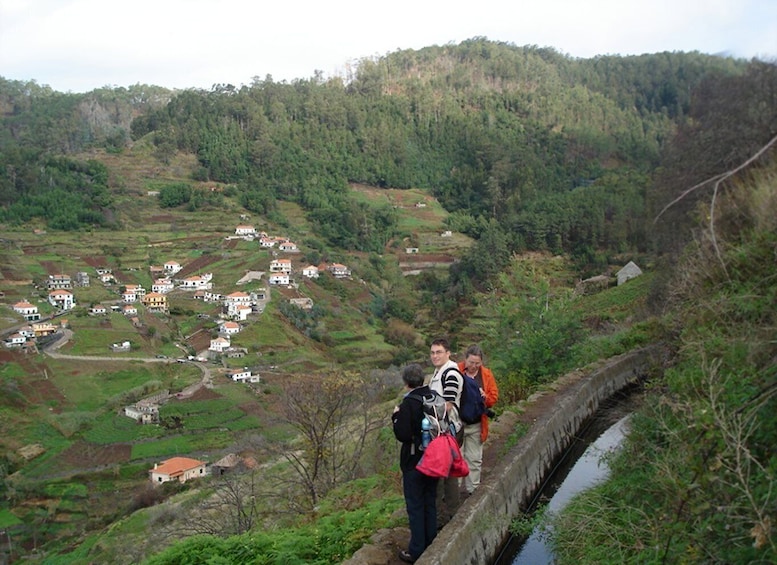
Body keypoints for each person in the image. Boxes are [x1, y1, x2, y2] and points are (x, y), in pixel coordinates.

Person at [392, 363, 439, 564]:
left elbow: (402, 434)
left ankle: (417, 550)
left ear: (406, 383)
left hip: (415, 461)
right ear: (422, 379)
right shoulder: (433, 396)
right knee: (430, 500)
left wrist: (395, 416)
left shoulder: (409, 403)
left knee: (415, 505)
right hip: (435, 457)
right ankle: (432, 541)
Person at [426, 337, 464, 525]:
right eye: (433, 352)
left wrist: (425, 412)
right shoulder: (438, 372)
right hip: (441, 432)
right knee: (446, 473)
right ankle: (448, 514)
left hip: (448, 432)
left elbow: (447, 404)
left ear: (448, 353)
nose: (435, 356)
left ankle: (447, 515)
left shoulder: (450, 374)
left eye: (439, 352)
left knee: (444, 474)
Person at [457, 344, 499, 495]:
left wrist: (484, 397)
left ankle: (472, 490)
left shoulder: (486, 375)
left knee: (474, 458)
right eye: (471, 362)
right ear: (465, 359)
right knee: (457, 458)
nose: (473, 366)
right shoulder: (455, 371)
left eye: (477, 363)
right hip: (458, 424)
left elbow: (493, 397)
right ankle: (455, 491)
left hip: (476, 424)